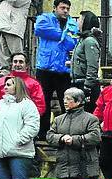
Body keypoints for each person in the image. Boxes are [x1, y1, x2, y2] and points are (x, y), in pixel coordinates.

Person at [34, 0, 78, 139]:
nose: (65, 11)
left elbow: (73, 43)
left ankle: (67, 132)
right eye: (62, 7)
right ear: (55, 8)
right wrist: (63, 35)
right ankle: (42, 133)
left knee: (67, 102)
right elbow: (39, 29)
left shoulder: (72, 23)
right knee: (43, 102)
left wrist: (56, 35)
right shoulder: (44, 18)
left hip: (63, 70)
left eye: (67, 8)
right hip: (45, 68)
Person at [0, 76, 39, 179]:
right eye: (5, 85)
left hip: (19, 154)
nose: (5, 87)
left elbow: (32, 126)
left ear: (17, 86)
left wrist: (18, 140)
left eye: (9, 85)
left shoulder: (27, 104)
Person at [46, 87, 101, 179]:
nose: (65, 102)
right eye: (64, 98)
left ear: (78, 101)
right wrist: (61, 138)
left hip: (85, 169)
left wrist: (74, 140)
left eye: (69, 99)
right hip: (64, 169)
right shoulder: (58, 119)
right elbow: (50, 136)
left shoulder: (91, 119)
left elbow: (95, 137)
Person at [0, 52, 46, 116]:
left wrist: (29, 118)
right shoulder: (2, 81)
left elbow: (40, 106)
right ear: (11, 64)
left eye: (21, 62)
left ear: (26, 66)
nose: (18, 64)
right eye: (15, 62)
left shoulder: (34, 84)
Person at [70, 10, 102, 113]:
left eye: (80, 20)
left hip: (85, 84)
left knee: (86, 115)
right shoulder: (82, 39)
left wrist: (87, 87)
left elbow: (92, 65)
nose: (78, 23)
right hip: (78, 83)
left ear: (86, 22)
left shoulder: (89, 41)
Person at [0, 0, 30, 76]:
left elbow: (15, 2)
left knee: (17, 54)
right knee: (4, 53)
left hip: (13, 27)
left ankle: (19, 73)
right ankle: (4, 72)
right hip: (3, 26)